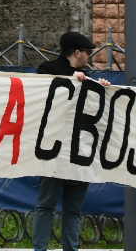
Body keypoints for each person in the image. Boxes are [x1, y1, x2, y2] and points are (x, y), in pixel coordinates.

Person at [31, 32, 98, 251]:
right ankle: (40, 248)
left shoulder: (86, 77)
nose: (89, 56)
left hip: (79, 151)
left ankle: (71, 248)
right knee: (46, 205)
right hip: (54, 149)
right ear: (77, 52)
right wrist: (71, 80)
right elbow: (42, 98)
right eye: (87, 52)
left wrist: (102, 89)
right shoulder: (47, 70)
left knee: (74, 208)